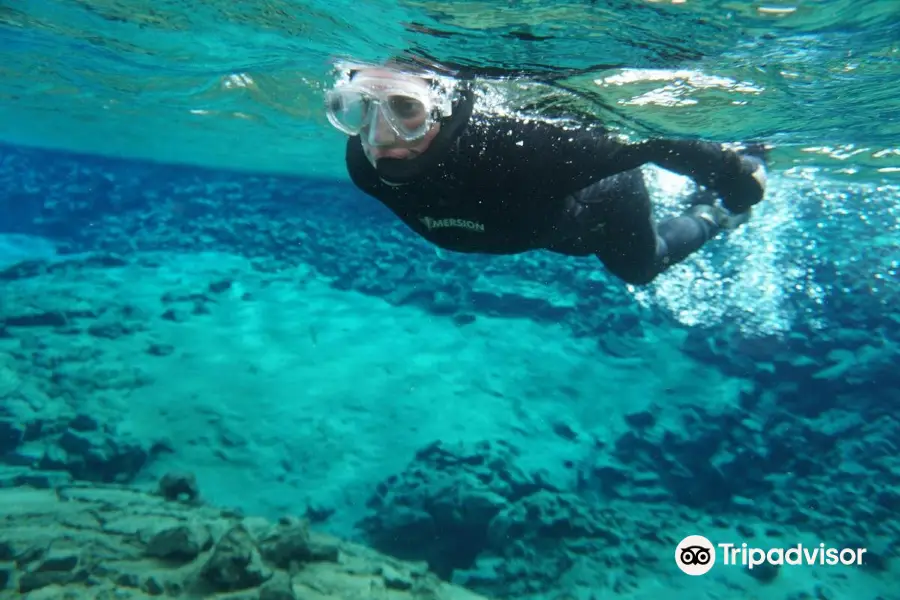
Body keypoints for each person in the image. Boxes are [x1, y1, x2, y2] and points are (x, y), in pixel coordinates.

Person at [325, 57, 768, 285]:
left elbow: (656, 139)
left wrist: (738, 178)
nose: (379, 137)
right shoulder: (364, 166)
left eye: (406, 109)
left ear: (449, 110)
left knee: (640, 269)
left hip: (599, 211)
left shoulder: (530, 152)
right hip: (537, 224)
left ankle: (712, 216)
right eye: (360, 110)